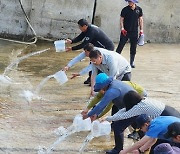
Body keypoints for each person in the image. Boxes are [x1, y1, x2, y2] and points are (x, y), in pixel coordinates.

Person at [104, 91, 180, 154]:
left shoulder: (153, 125)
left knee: (162, 149)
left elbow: (140, 143)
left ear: (146, 124)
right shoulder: (153, 118)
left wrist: (124, 151)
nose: (141, 130)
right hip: (172, 114)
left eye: (140, 128)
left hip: (174, 125)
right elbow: (152, 140)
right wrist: (140, 150)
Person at [65, 18, 115, 84]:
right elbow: (78, 57)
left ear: (85, 26)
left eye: (80, 27)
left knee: (98, 65)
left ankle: (99, 81)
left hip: (107, 47)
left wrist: (72, 48)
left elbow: (83, 44)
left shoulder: (91, 31)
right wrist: (68, 66)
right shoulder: (87, 31)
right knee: (94, 63)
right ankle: (90, 79)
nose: (79, 28)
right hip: (98, 47)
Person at [116, 0, 143, 68]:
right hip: (125, 31)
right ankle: (115, 60)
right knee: (120, 45)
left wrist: (141, 30)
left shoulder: (139, 9)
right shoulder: (125, 10)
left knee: (133, 47)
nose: (129, 3)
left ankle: (131, 62)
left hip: (134, 31)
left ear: (134, 2)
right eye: (129, 1)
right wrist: (122, 28)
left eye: (131, 1)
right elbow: (121, 19)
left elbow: (141, 19)